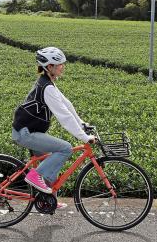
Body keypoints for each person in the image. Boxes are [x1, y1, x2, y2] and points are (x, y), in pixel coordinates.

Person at [12, 47, 95, 198]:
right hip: (25, 134)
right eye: (60, 64)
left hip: (30, 131)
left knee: (53, 163)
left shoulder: (48, 83)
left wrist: (82, 124)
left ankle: (50, 201)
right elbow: (64, 117)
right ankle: (33, 176)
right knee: (65, 148)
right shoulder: (47, 88)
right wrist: (84, 137)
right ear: (49, 67)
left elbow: (67, 105)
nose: (63, 67)